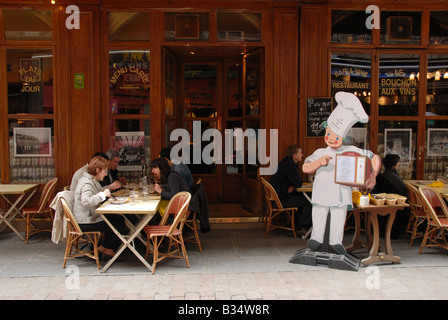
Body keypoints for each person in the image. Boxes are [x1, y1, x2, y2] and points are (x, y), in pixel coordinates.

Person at [303, 92, 381, 255]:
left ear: (343, 137)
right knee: (319, 213)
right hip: (321, 192)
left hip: (341, 193)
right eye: (329, 133)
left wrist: (372, 175)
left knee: (338, 215)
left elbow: (375, 157)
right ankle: (316, 239)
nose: (331, 138)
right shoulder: (319, 152)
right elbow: (305, 167)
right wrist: (318, 163)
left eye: (336, 136)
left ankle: (336, 242)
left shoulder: (352, 151)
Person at [73, 156, 126, 259]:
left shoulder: (89, 180)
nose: (106, 174)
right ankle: (101, 249)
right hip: (86, 222)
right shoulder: (87, 183)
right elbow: (86, 201)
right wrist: (103, 195)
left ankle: (107, 249)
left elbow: (96, 191)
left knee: (119, 219)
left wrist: (105, 190)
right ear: (97, 170)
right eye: (104, 171)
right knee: (117, 227)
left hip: (91, 217)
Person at [269, 145, 312, 234]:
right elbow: (298, 183)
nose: (302, 155)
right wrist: (292, 185)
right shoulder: (290, 164)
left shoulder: (286, 162)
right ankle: (300, 227)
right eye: (300, 153)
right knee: (308, 201)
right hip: (280, 200)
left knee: (304, 197)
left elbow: (295, 183)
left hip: (278, 197)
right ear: (294, 155)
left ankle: (297, 225)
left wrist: (292, 186)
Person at [373, 153, 409, 238]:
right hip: (395, 208)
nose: (399, 164)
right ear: (394, 165)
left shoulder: (382, 176)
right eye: (398, 163)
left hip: (380, 208)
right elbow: (405, 195)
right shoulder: (395, 178)